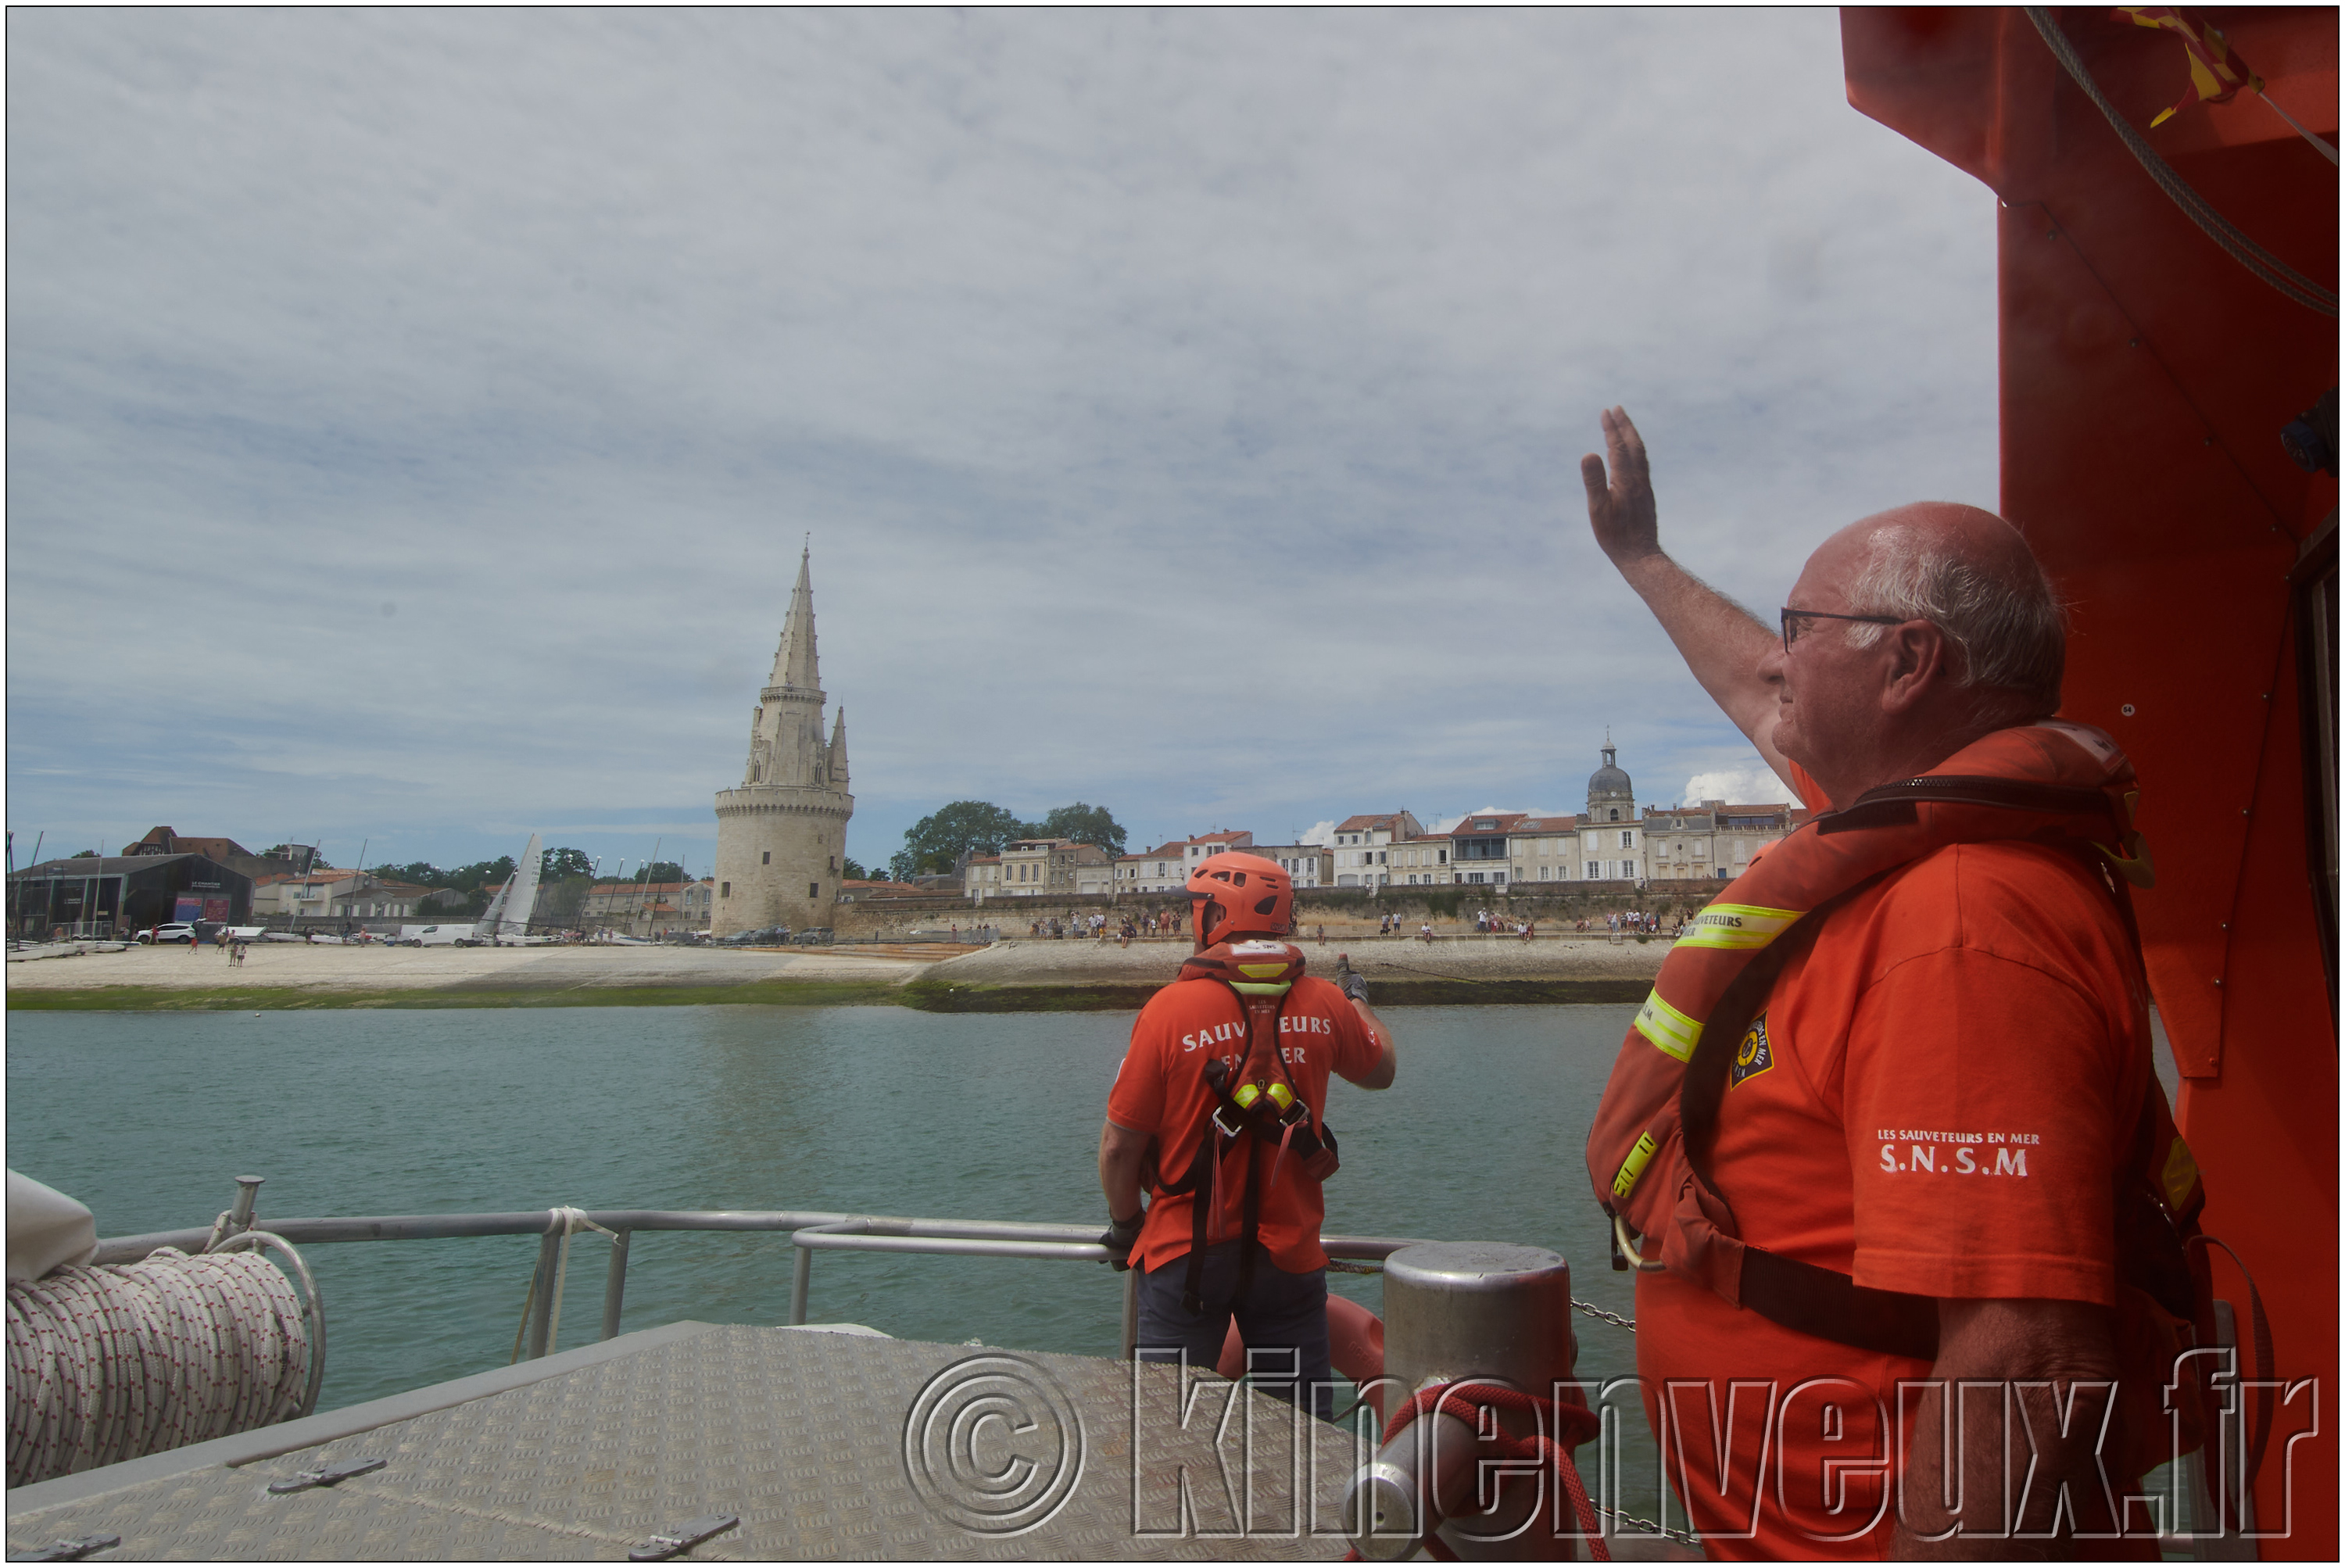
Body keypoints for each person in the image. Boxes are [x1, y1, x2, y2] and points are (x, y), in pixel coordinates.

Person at [1579, 406, 2176, 1555]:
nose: (1778, 653)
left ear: (1908, 663)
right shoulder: (1896, 831)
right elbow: (1762, 691)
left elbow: (2028, 1358)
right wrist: (1643, 560)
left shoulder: (1962, 928)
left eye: (1804, 624)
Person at [1098, 852, 1396, 1420]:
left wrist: (1125, 1222)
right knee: (1302, 1434)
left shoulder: (1168, 1010)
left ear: (1216, 915)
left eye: (1197, 908)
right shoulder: (1325, 1002)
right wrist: (1359, 1001)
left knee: (1168, 1428)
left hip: (1183, 1255)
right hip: (1289, 1260)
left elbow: (1119, 1145)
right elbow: (1381, 1071)